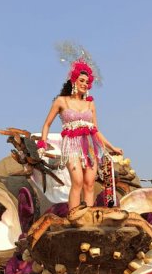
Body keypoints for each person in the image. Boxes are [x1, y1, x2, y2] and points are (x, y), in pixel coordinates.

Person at [39, 59, 123, 209]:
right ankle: (74, 216)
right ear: (74, 80)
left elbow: (96, 130)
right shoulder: (61, 101)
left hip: (90, 146)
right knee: (77, 181)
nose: (85, 84)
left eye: (87, 82)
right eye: (81, 80)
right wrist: (42, 144)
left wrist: (112, 147)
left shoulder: (90, 104)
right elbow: (47, 124)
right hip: (71, 146)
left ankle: (88, 218)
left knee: (89, 183)